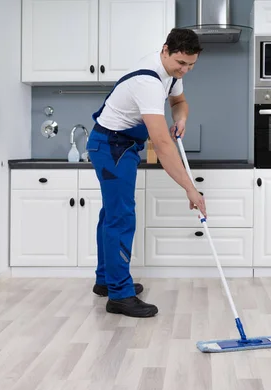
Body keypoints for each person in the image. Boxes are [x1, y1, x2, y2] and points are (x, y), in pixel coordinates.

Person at [86, 28, 207, 318]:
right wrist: (190, 188)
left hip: (122, 144)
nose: (185, 71)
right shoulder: (147, 81)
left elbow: (179, 103)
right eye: (181, 63)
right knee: (120, 216)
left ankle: (107, 281)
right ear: (165, 50)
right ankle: (119, 295)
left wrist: (181, 119)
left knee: (112, 213)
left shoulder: (171, 74)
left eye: (191, 65)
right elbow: (162, 145)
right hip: (111, 146)